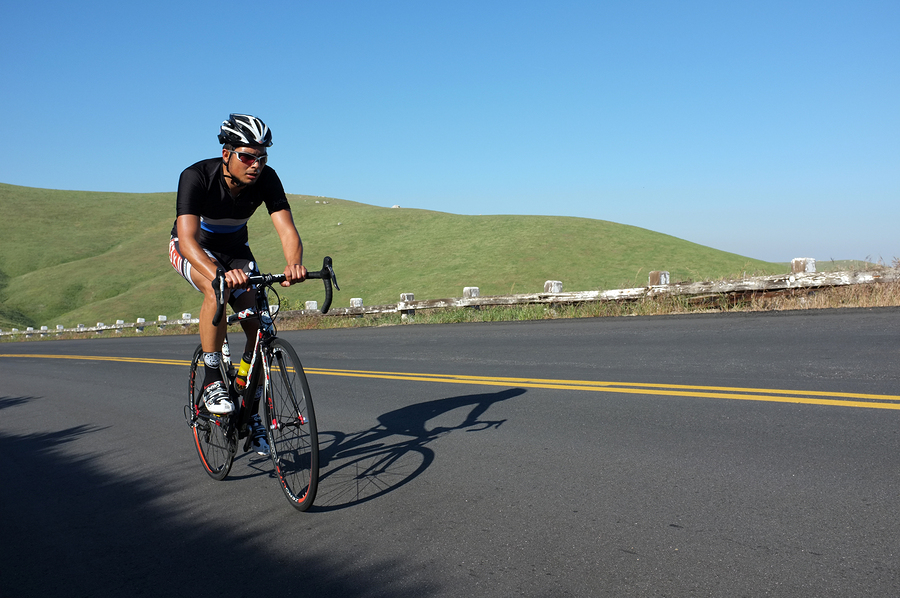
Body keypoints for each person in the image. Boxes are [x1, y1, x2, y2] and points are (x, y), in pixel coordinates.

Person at [169, 114, 307, 455]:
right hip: (194, 249)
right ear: (227, 153)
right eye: (247, 156)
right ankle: (214, 377)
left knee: (259, 326)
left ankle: (249, 408)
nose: (256, 165)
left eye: (262, 158)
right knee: (218, 291)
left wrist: (293, 264)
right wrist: (217, 273)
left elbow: (287, 229)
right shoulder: (196, 176)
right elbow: (186, 240)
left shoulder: (267, 179)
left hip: (236, 252)